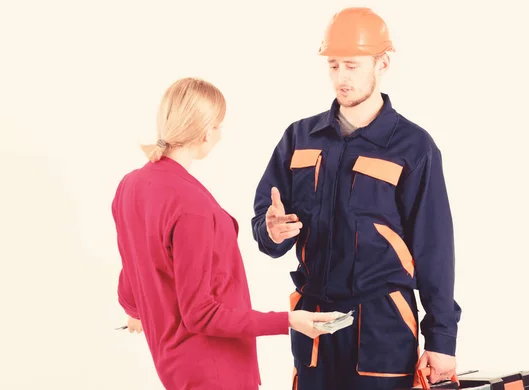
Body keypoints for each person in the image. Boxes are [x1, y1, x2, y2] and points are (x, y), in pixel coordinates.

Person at [251, 7, 462, 390]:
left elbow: (435, 249)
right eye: (333, 66)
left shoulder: (413, 147)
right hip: (314, 320)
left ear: (383, 63)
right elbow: (265, 226)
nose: (341, 78)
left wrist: (442, 339)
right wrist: (272, 232)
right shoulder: (300, 138)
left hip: (383, 323)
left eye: (351, 65)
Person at [112, 77, 336, 390]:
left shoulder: (130, 186)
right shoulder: (192, 207)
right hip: (215, 371)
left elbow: (134, 263)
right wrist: (289, 321)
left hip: (174, 366)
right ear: (205, 131)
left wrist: (133, 308)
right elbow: (201, 315)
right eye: (219, 126)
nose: (220, 134)